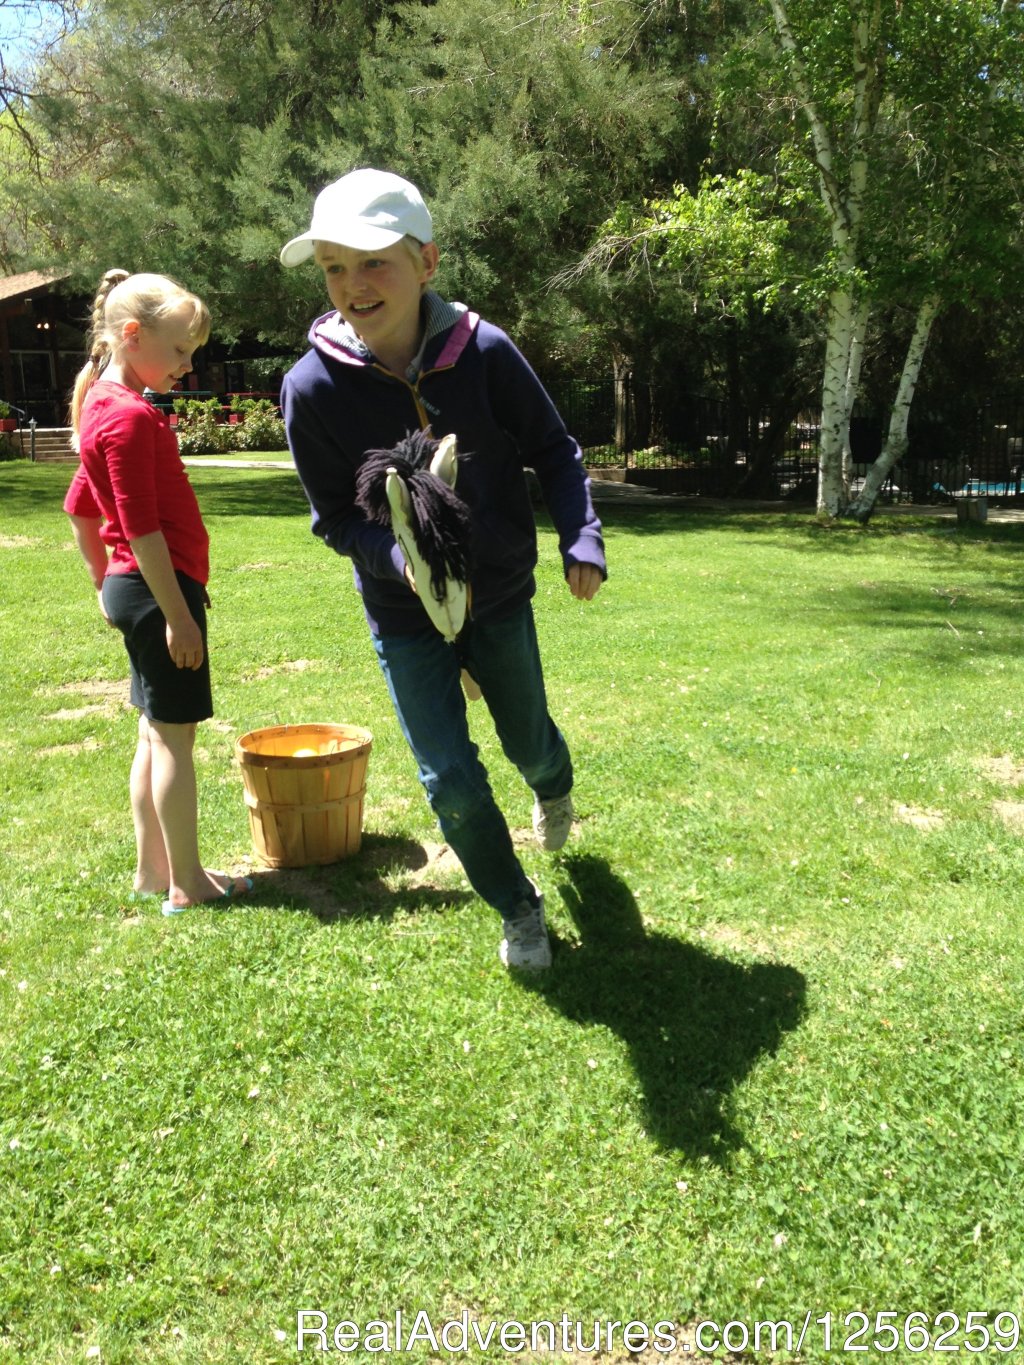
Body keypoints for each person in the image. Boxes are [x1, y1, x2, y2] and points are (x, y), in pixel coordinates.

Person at [279, 168, 606, 969]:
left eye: (373, 262)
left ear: (426, 262)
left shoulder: (485, 353)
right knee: (449, 778)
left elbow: (554, 450)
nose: (353, 285)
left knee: (527, 741)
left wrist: (582, 535)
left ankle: (552, 781)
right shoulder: (309, 387)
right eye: (333, 267)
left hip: (496, 596)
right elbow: (334, 518)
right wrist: (405, 561)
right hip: (402, 614)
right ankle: (518, 907)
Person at [63, 269, 252, 915]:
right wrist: (178, 615)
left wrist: (103, 585)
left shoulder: (102, 409)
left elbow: (80, 510)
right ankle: (187, 881)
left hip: (133, 591)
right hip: (155, 593)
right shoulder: (129, 420)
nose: (188, 366)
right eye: (179, 351)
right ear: (132, 335)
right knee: (174, 739)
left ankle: (152, 872)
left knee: (152, 733)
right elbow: (140, 528)